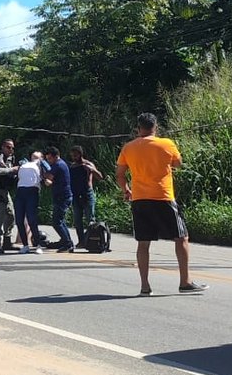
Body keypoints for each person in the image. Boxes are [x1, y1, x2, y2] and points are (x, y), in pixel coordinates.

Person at [116, 113, 207, 296]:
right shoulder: (167, 143)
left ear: (138, 128)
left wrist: (126, 190)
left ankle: (144, 286)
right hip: (163, 197)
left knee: (143, 243)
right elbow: (178, 164)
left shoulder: (128, 147)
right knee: (181, 238)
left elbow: (120, 174)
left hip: (140, 199)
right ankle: (184, 282)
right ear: (155, 127)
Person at [0, 139, 19, 253]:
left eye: (12, 148)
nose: (11, 150)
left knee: (11, 215)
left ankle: (7, 242)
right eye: (8, 147)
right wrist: (13, 169)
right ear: (2, 147)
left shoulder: (11, 159)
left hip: (6, 191)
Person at [69, 146, 103, 248]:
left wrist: (92, 170)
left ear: (80, 154)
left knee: (90, 219)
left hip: (87, 194)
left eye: (76, 154)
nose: (74, 157)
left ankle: (92, 240)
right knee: (77, 220)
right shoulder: (72, 166)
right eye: (72, 155)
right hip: (75, 195)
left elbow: (100, 177)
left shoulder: (87, 164)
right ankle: (81, 241)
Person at [43, 147, 75, 252]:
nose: (49, 161)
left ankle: (67, 243)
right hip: (62, 196)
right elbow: (53, 180)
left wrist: (40, 168)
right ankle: (65, 240)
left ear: (56, 156)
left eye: (50, 159)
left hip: (62, 197)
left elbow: (49, 176)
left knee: (56, 222)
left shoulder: (58, 165)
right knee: (61, 221)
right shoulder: (59, 164)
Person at [14, 151, 45, 254]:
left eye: (37, 156)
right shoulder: (24, 164)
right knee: (19, 220)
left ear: (41, 158)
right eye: (33, 156)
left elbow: (47, 174)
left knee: (32, 219)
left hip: (32, 191)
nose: (35, 157)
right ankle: (25, 245)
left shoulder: (41, 165)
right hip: (20, 191)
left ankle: (38, 245)